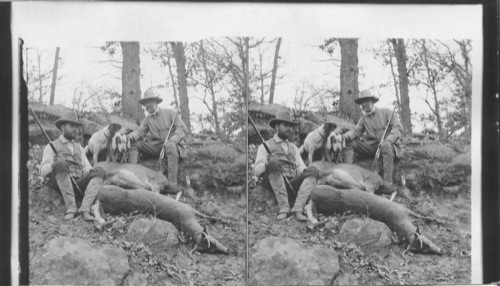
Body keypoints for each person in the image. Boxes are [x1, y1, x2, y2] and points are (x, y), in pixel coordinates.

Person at [40, 110, 106, 221]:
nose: (75, 129)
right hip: (60, 185)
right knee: (60, 164)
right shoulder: (51, 146)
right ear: (62, 127)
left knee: (100, 171)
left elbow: (87, 168)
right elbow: (43, 171)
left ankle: (85, 208)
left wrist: (91, 175)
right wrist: (54, 165)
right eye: (71, 126)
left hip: (78, 185)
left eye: (76, 126)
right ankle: (71, 208)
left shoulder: (79, 148)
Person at [254, 111, 319, 221]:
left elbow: (301, 167)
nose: (289, 128)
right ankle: (284, 208)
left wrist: (305, 173)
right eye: (286, 125)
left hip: (292, 184)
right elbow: (257, 170)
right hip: (273, 183)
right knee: (273, 164)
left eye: (290, 126)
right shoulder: (265, 146)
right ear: (277, 126)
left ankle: (298, 209)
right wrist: (268, 165)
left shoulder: (293, 147)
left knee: (313, 171)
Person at [340, 89, 404, 184]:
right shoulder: (363, 119)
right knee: (350, 143)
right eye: (361, 102)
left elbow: (398, 127)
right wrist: (344, 137)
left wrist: (389, 140)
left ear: (372, 101)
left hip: (390, 145)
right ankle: (347, 176)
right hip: (373, 147)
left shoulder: (386, 112)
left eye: (366, 101)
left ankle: (387, 183)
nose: (364, 104)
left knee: (386, 146)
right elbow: (355, 132)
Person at [126, 89, 188, 185]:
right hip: (158, 147)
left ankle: (172, 183)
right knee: (134, 144)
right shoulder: (147, 120)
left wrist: (172, 140)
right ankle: (131, 176)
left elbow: (182, 128)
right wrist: (128, 138)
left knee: (170, 146)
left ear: (155, 102)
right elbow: (139, 132)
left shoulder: (170, 113)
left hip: (174, 146)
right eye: (146, 103)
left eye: (150, 102)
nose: (148, 105)